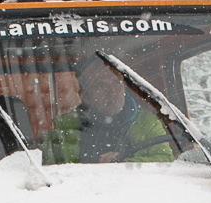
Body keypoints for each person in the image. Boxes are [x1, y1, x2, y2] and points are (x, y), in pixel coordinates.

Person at [41, 59, 176, 164]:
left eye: (117, 83)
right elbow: (49, 174)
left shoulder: (146, 121)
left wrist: (125, 162)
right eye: (101, 85)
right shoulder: (62, 130)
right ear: (85, 96)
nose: (112, 92)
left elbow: (165, 161)